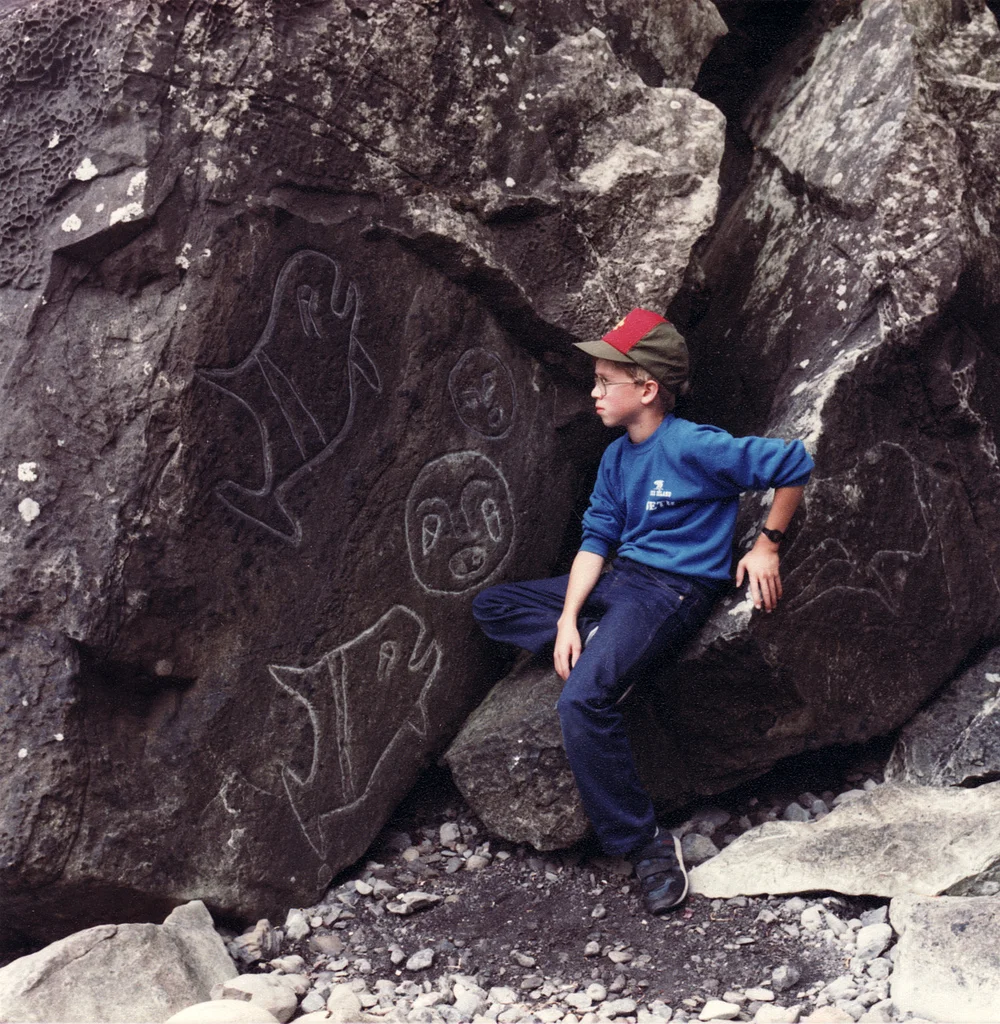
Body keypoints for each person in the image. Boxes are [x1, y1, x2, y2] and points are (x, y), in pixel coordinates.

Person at [472, 308, 814, 914]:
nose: (595, 392)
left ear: (648, 388)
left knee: (581, 699)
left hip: (668, 593)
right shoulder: (615, 459)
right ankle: (606, 641)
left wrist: (767, 546)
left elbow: (794, 464)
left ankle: (647, 845)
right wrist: (568, 619)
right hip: (616, 581)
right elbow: (595, 542)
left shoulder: (693, 444)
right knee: (493, 605)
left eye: (606, 381)